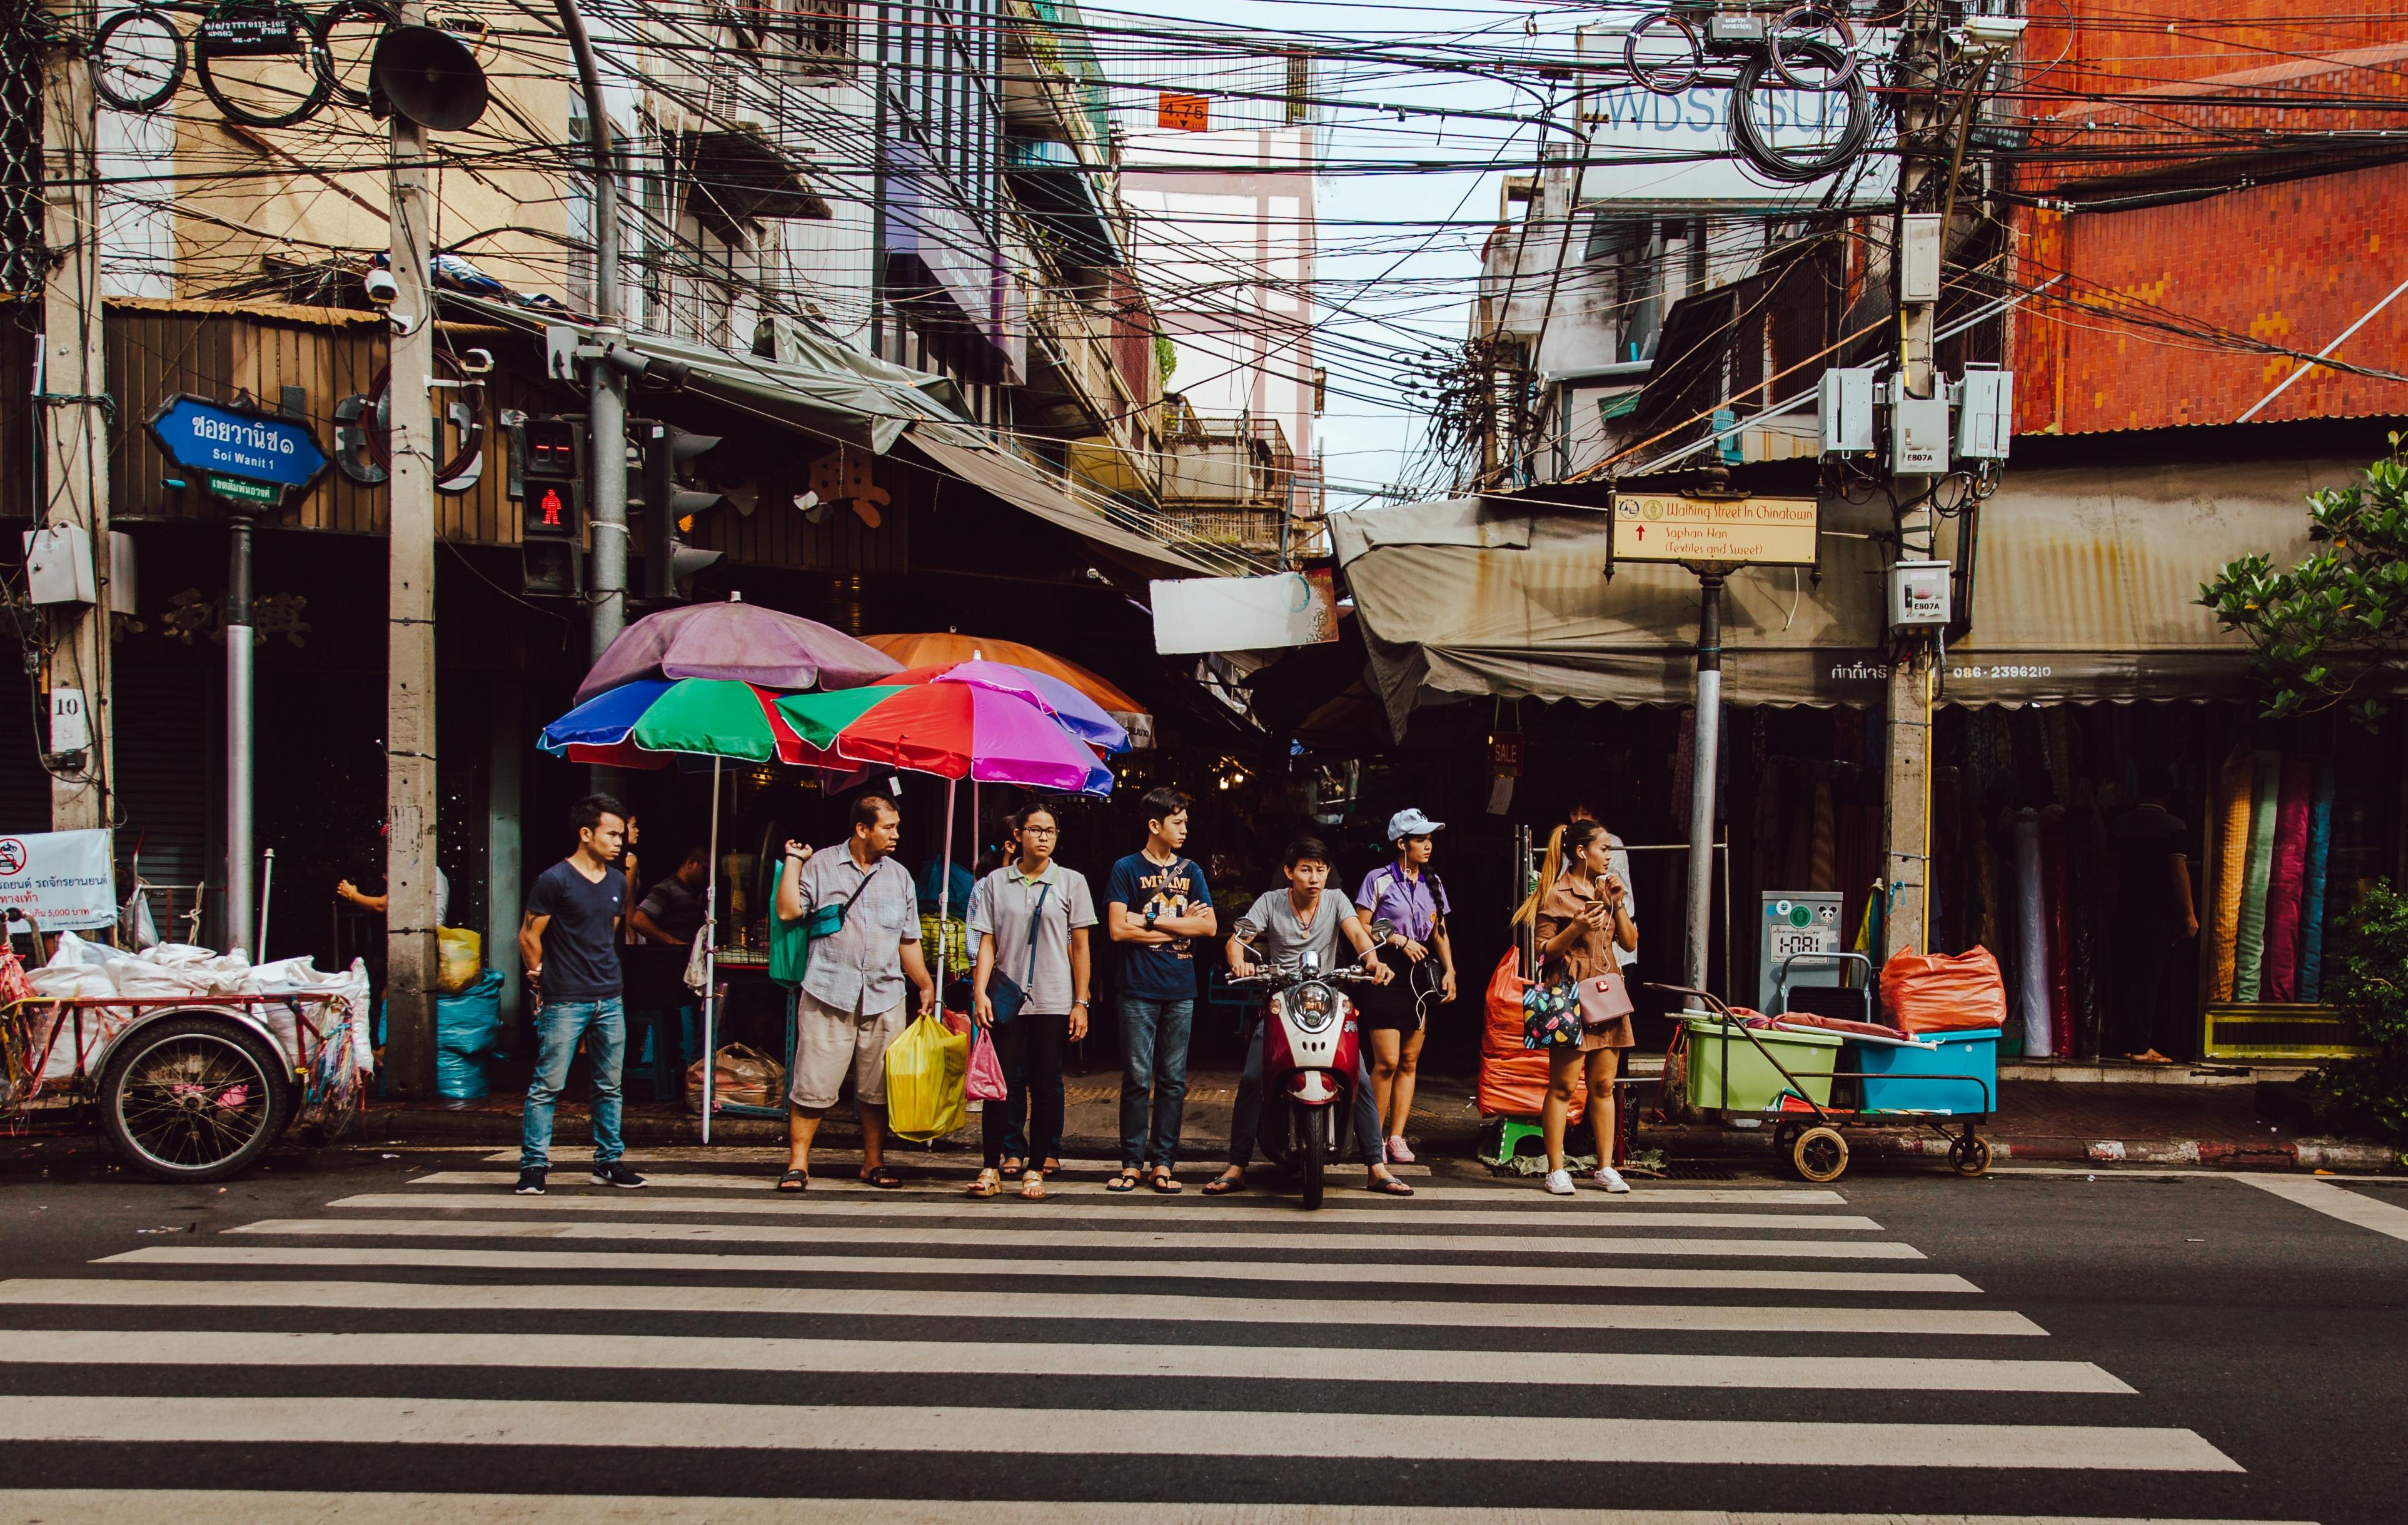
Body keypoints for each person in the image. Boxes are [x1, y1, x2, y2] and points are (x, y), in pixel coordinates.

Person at [1206, 837, 1413, 1199]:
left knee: (1360, 1077)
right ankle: (1236, 1167)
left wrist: (1373, 961)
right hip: (1281, 1000)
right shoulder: (1270, 902)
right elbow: (1237, 940)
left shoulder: (1335, 900)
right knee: (1254, 1076)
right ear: (1289, 873)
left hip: (1329, 998)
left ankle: (1375, 1168)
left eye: (1320, 870)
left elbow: (1357, 934)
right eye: (1305, 870)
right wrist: (1238, 956)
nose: (1314, 878)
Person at [773, 793, 937, 1192]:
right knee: (813, 1083)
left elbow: (908, 939)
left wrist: (925, 983)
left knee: (878, 1088)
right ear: (863, 829)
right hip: (830, 990)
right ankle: (798, 1164)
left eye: (896, 827)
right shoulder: (822, 866)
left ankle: (873, 1163)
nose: (896, 834)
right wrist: (794, 861)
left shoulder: (899, 876)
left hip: (886, 995)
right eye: (888, 827)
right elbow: (788, 911)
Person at [513, 793, 645, 1195]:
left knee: (609, 1085)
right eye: (611, 834)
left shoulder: (618, 881)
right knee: (547, 1086)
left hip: (610, 996)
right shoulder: (555, 880)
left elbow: (607, 933)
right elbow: (528, 935)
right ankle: (534, 1166)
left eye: (622, 835)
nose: (620, 841)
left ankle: (608, 1162)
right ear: (586, 833)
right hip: (565, 998)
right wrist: (538, 978)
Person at [966, 803, 1097, 1200]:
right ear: (1018, 835)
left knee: (1045, 1084)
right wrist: (979, 992)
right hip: (1005, 999)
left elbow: (1081, 947)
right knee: (999, 1085)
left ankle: (1036, 1168)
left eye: (1051, 831)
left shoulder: (1072, 882)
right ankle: (992, 1166)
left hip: (1055, 998)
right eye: (1036, 830)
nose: (1044, 837)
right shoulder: (994, 883)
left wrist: (1081, 1001)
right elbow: (986, 942)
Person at [1518, 818, 1638, 1196]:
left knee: (1604, 1085)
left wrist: (1617, 905)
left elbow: (1630, 943)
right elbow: (1542, 950)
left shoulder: (1608, 890)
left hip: (1606, 992)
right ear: (1582, 852)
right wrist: (1576, 927)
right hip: (1569, 995)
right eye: (1604, 849)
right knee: (1564, 1086)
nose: (1609, 857)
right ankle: (1556, 1168)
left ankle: (1605, 1167)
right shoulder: (1556, 893)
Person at [1105, 787, 1216, 1193]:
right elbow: (1117, 928)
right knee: (1136, 1078)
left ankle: (1163, 1163)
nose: (1184, 828)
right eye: (1177, 821)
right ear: (1154, 825)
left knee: (1172, 1080)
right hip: (1136, 987)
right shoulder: (1126, 868)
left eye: (1185, 821)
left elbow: (1208, 927)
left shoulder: (1192, 871)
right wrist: (1177, 919)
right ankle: (1131, 1163)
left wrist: (1148, 920)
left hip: (1180, 987)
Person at [1354, 808, 1456, 1163]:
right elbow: (1361, 926)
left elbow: (1439, 930)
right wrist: (1397, 940)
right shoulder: (1377, 879)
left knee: (1410, 1061)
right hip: (1385, 968)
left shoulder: (1434, 882)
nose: (1428, 845)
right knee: (1386, 1061)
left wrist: (1451, 971)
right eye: (1420, 839)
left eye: (1430, 839)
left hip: (1421, 974)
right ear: (1401, 843)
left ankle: (1396, 1137)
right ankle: (1372, 1137)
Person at [2108, 770, 2200, 1064]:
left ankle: (2125, 1041)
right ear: (2168, 794)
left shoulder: (2120, 824)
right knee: (2150, 977)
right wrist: (2188, 912)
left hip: (2124, 907)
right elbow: (2178, 870)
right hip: (2157, 911)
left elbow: (2110, 864)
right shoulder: (2174, 825)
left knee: (2127, 977)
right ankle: (2141, 1046)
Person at [628, 845, 710, 1067]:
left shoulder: (698, 894)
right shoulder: (666, 888)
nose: (707, 876)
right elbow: (638, 919)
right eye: (705, 869)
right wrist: (671, 941)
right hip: (669, 969)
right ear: (691, 863)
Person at [336, 823, 450, 923]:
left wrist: (352, 894)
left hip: (423, 938)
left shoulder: (417, 871)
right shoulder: (429, 869)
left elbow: (381, 905)